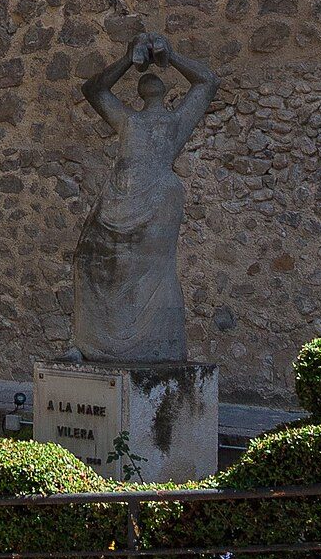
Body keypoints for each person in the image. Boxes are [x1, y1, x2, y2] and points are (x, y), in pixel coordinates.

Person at [73, 30, 217, 366]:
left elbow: (208, 81)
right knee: (87, 259)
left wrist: (172, 55)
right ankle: (92, 343)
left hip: (158, 200)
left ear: (162, 92)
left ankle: (158, 346)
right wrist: (127, 58)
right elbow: (93, 89)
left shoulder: (175, 121)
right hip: (117, 199)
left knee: (152, 272)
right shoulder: (128, 120)